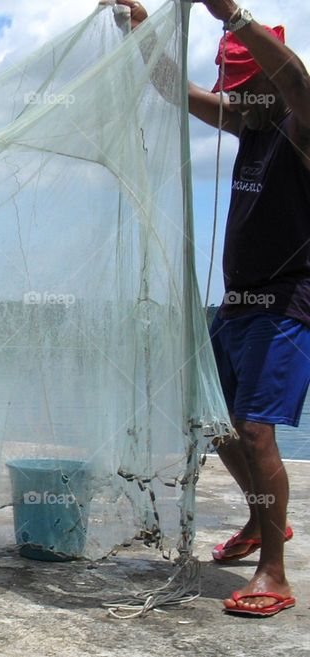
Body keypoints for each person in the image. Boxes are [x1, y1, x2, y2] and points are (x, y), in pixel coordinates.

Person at [118, 0, 310, 617]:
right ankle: (263, 523)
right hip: (237, 304)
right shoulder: (248, 125)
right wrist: (145, 32)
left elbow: (297, 80)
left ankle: (273, 575)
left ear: (264, 85)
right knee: (218, 421)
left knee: (256, 429)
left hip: (287, 303)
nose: (234, 100)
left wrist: (230, 13)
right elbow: (173, 87)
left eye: (243, 87)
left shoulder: (300, 125)